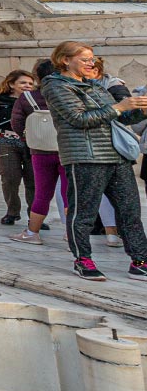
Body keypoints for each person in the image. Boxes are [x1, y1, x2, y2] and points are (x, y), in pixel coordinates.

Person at [41, 41, 147, 281]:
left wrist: (140, 110)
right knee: (84, 212)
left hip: (115, 155)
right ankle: (83, 259)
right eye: (86, 59)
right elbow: (78, 118)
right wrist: (120, 107)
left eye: (93, 59)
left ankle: (140, 261)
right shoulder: (55, 86)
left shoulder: (96, 86)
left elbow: (120, 118)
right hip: (85, 156)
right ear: (65, 60)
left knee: (130, 210)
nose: (92, 63)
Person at [9, 59, 63, 244]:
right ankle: (72, 233)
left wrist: (29, 138)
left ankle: (33, 233)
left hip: (40, 150)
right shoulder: (68, 93)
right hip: (67, 149)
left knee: (42, 193)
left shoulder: (28, 98)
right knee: (70, 192)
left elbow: (16, 123)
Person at [0, 69, 34, 226]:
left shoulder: (36, 100)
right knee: (10, 179)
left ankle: (35, 215)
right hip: (7, 141)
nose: (27, 86)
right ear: (12, 84)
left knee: (33, 181)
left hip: (32, 143)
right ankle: (12, 212)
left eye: (30, 83)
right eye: (23, 83)